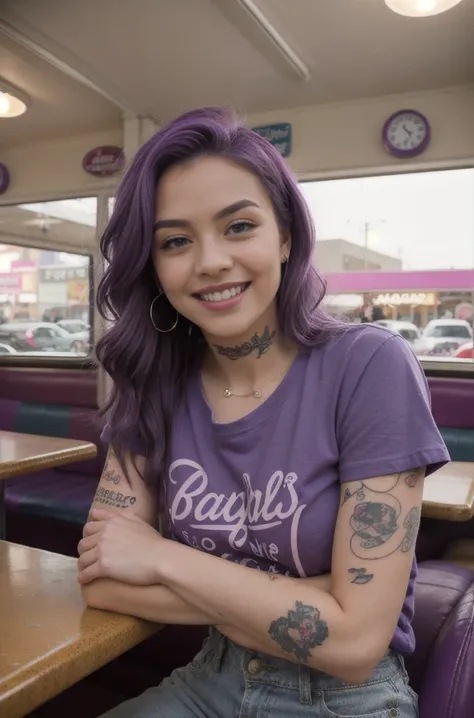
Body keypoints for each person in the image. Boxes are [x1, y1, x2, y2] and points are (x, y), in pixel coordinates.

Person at [78, 107, 450, 717]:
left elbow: (356, 644)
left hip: (349, 700)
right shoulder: (155, 385)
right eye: (175, 241)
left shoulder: (370, 365)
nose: (211, 261)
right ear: (154, 266)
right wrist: (317, 604)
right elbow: (104, 580)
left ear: (284, 237)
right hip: (208, 678)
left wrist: (163, 558)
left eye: (239, 226)